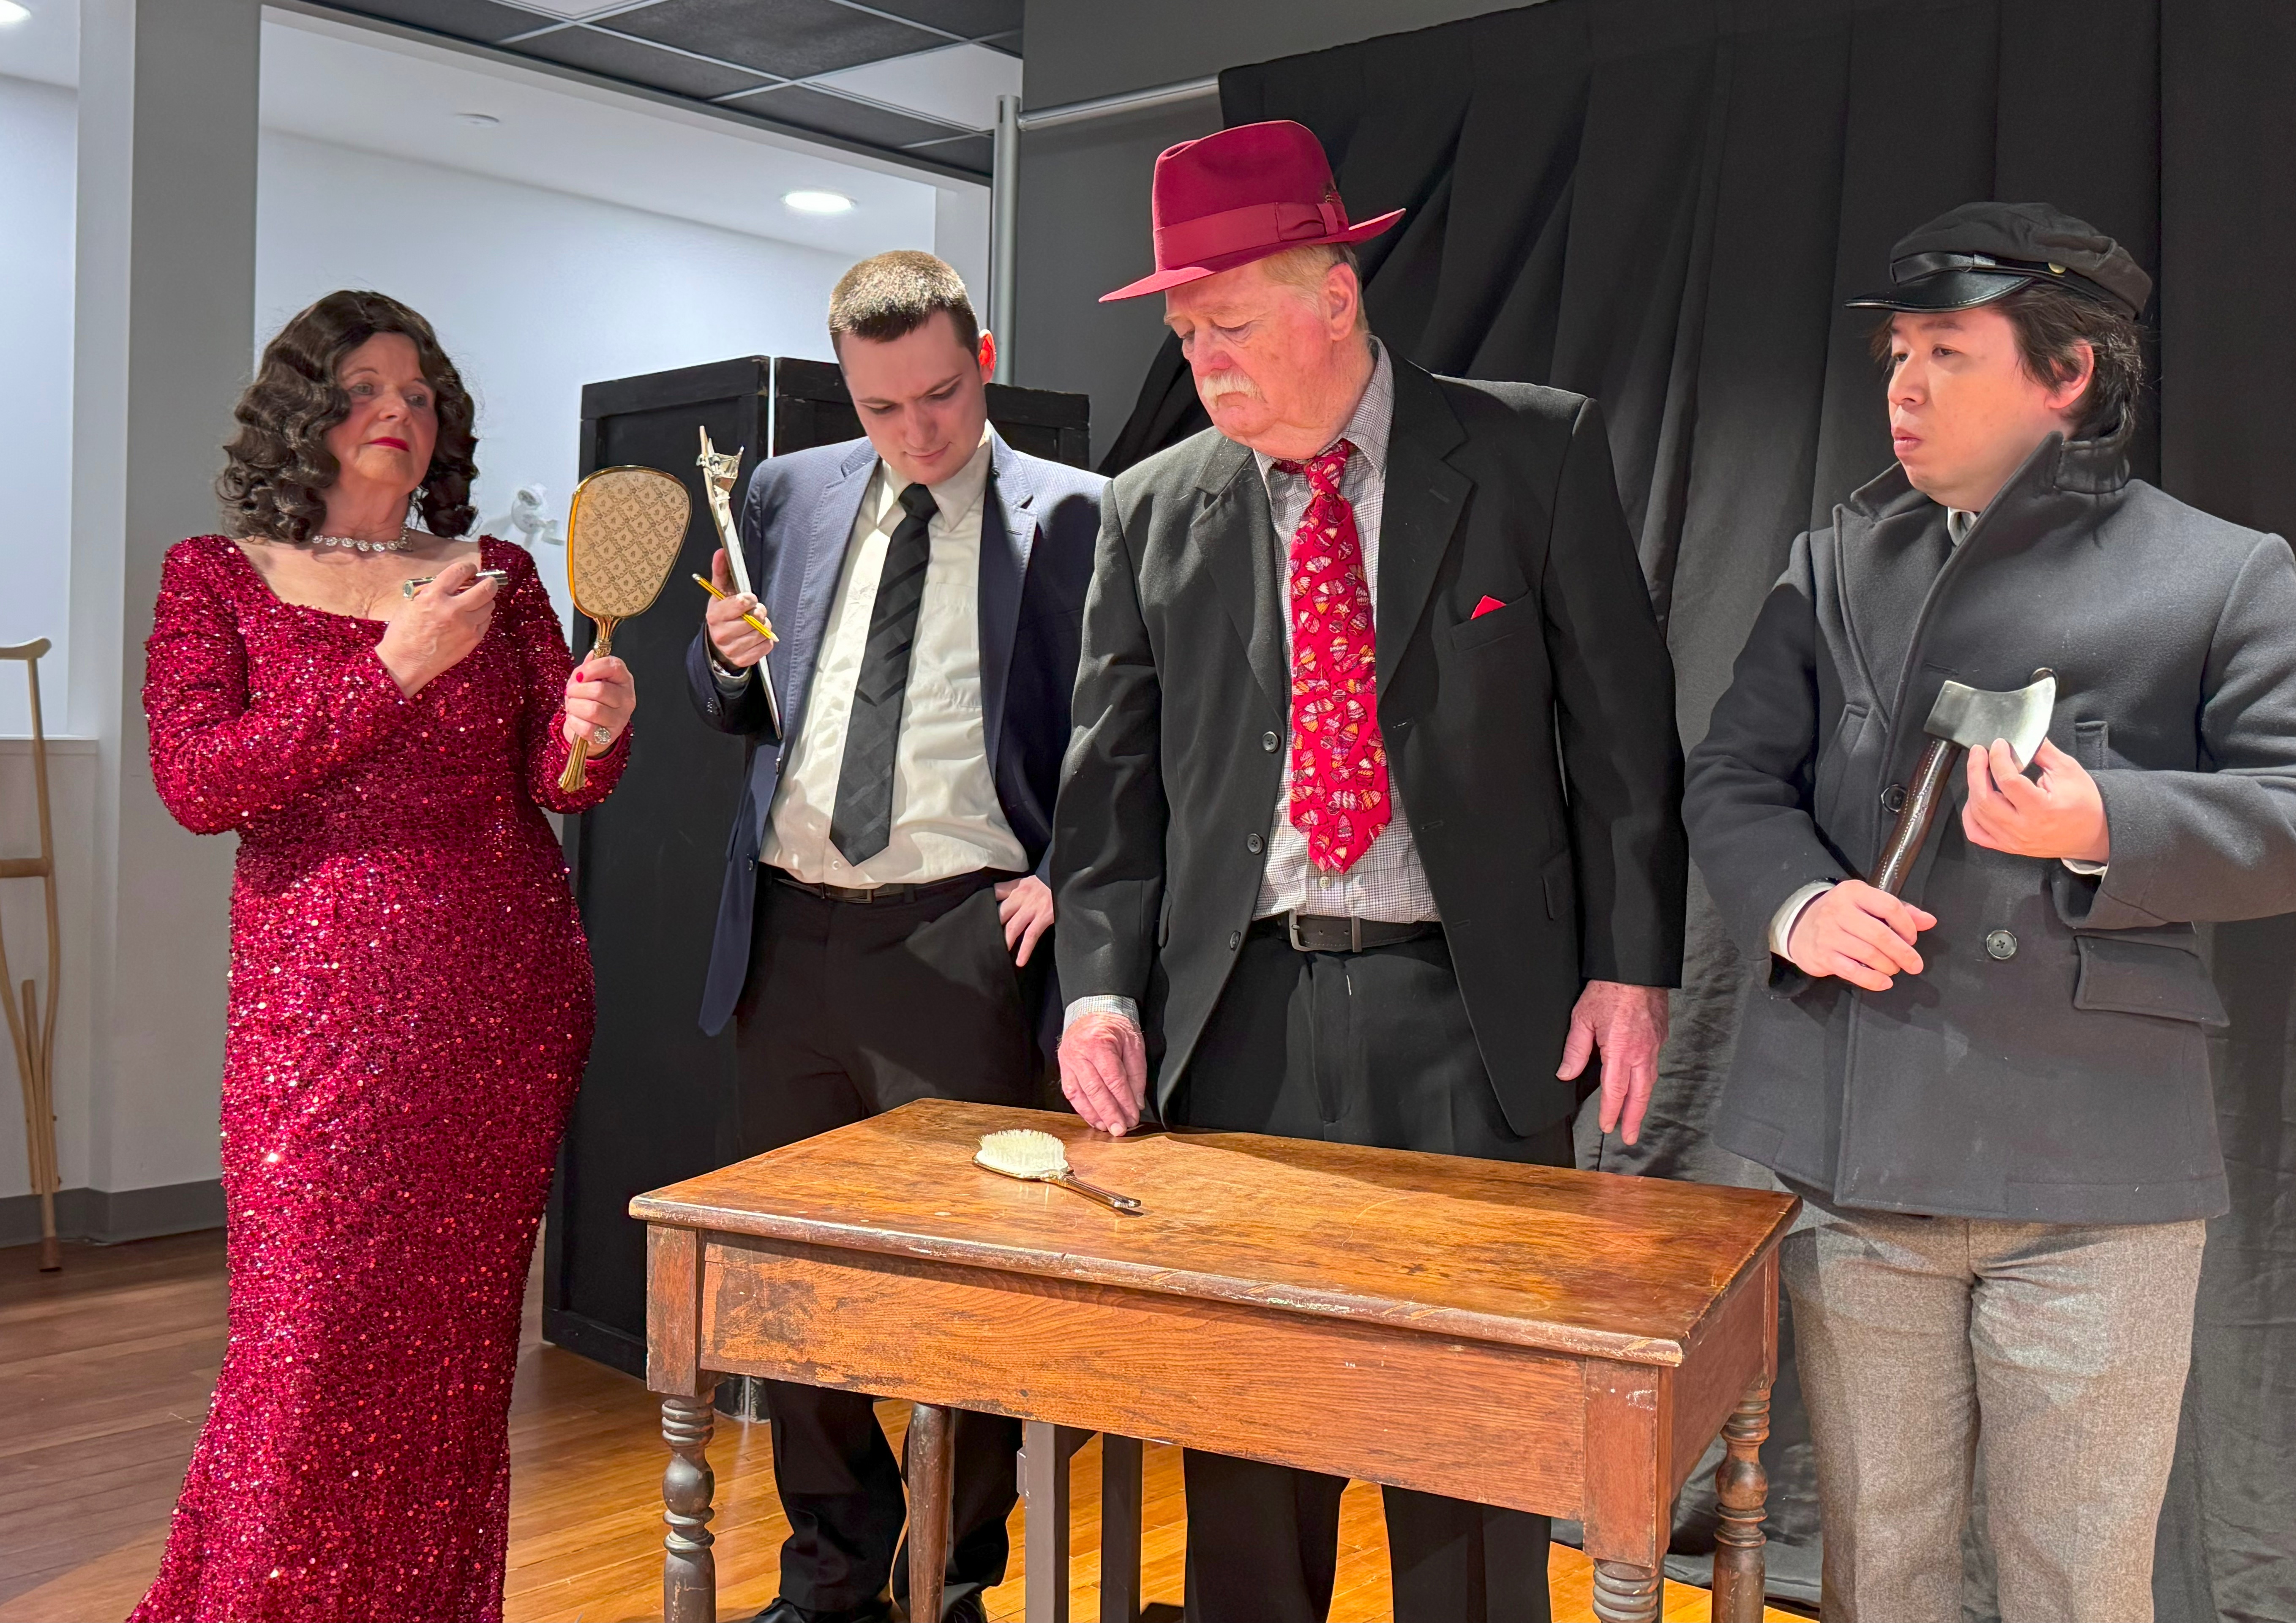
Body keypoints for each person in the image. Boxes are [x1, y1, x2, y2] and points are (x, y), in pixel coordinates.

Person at [1053, 121, 1686, 1623]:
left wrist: (1630, 966)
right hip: (1237, 1020)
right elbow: (1109, 788)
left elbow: (1622, 738)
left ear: (1333, 296)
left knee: (1466, 1451)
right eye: (1183, 334)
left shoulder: (1530, 454)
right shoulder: (1152, 507)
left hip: (1469, 1015)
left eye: (1226, 323)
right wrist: (1096, 990)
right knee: (1251, 1445)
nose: (1202, 361)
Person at [1684, 202, 2296, 1622]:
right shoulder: (1834, 564)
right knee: (1877, 1573)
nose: (1902, 386)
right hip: (1865, 1154)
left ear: (2064, 373)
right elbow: (1732, 775)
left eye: (1946, 352)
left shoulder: (2220, 572)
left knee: (2076, 1587)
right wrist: (1795, 903)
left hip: (2096, 1175)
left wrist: (2105, 824)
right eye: (1897, 352)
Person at [133, 289, 635, 1621]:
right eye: (364, 387)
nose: (396, 412)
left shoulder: (496, 575)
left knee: (455, 1366)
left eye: (419, 394)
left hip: (503, 1000)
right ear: (304, 411)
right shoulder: (215, 575)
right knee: (304, 1347)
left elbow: (559, 781)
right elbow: (199, 781)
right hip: (315, 1021)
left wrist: (597, 727)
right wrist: (391, 668)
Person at [687, 251, 1106, 1623]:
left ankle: (955, 1576)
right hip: (789, 933)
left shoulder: (1079, 513)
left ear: (982, 358)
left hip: (958, 942)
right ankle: (831, 1571)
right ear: (845, 392)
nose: (917, 432)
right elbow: (733, 695)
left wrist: (1067, 872)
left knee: (966, 1291)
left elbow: (1130, 726)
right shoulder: (784, 492)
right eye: (881, 408)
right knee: (793, 1281)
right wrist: (722, 658)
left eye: (940, 395)